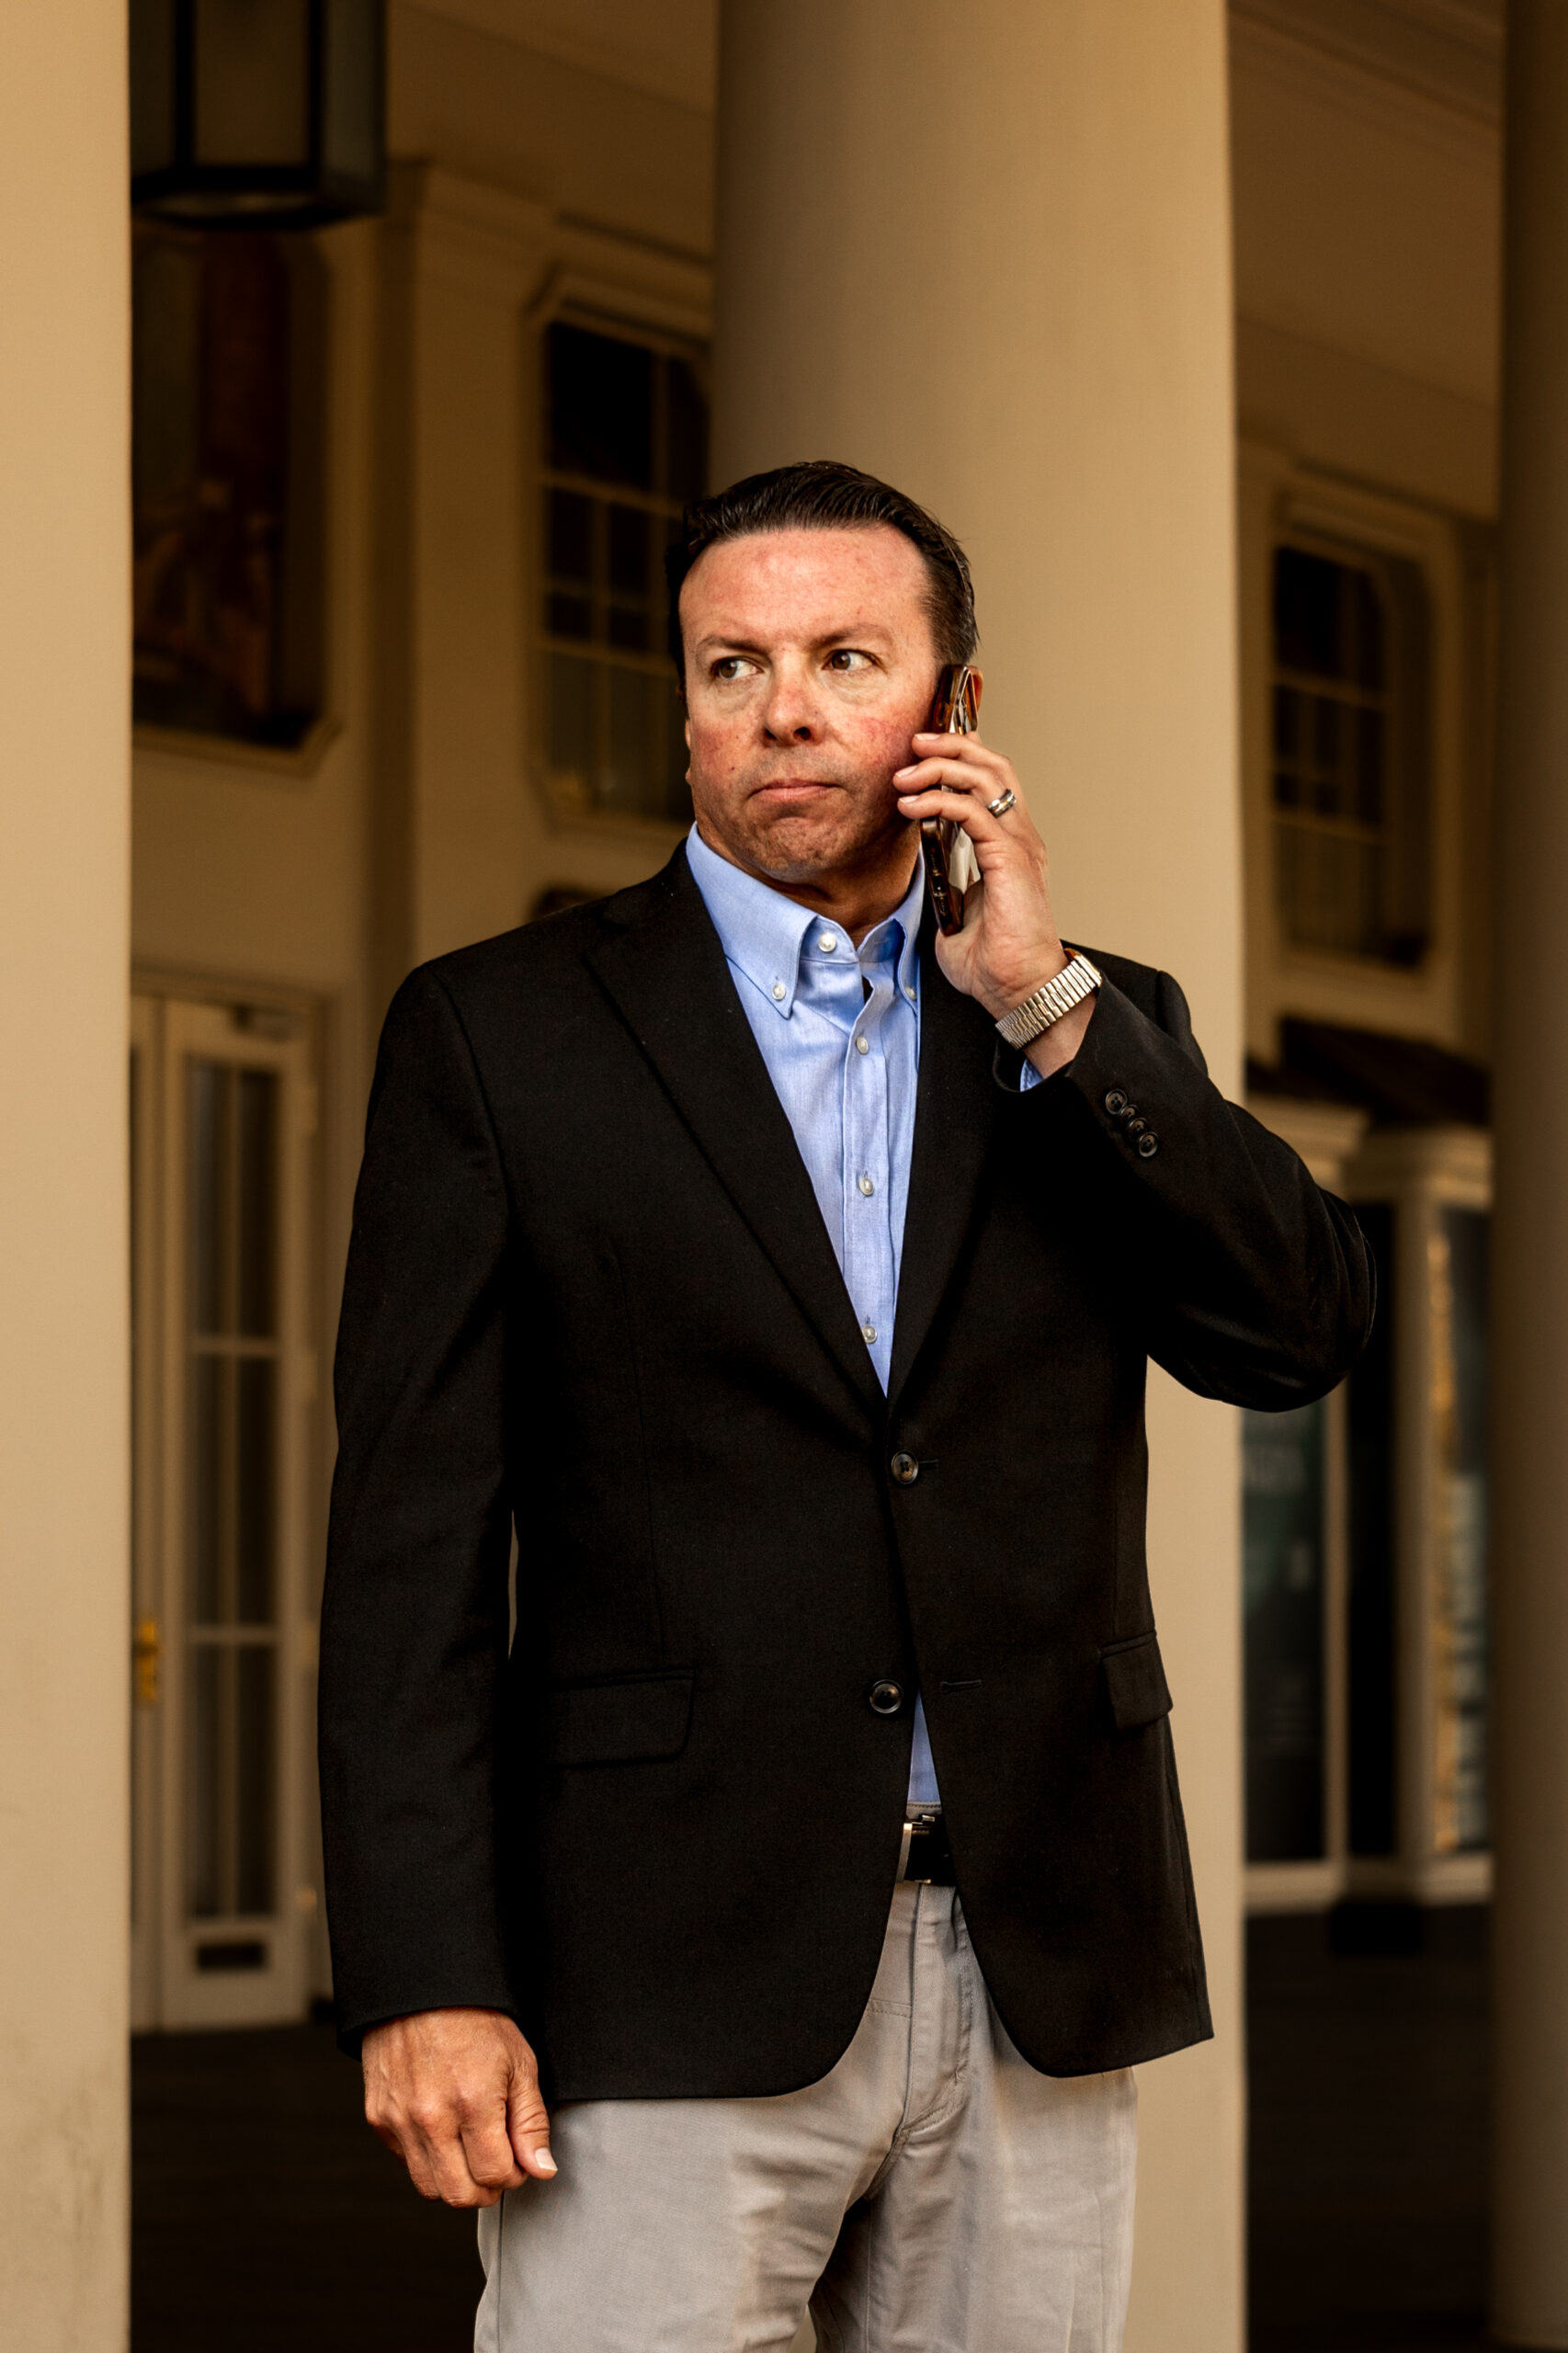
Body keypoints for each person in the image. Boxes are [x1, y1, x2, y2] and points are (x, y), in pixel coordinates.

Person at [319, 460, 1372, 2353]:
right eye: (730, 665)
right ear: (684, 704)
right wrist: (423, 1970)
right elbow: (410, 1544)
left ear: (954, 709)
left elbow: (1291, 1332)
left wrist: (1044, 1000)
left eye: (843, 658)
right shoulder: (501, 1034)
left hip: (1039, 1948)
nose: (781, 708)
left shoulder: (1084, 1019)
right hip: (654, 1959)